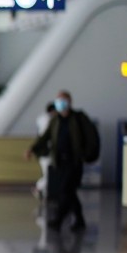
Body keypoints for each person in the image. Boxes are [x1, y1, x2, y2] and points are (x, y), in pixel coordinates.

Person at [26, 90, 91, 231]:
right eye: (58, 101)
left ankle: (59, 219)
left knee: (65, 190)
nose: (61, 104)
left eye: (63, 100)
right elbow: (45, 137)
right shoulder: (55, 121)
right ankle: (79, 220)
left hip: (74, 161)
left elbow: (90, 137)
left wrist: (86, 154)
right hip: (59, 161)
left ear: (70, 102)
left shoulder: (78, 118)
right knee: (69, 192)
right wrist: (32, 149)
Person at [34, 102, 57, 202]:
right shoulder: (47, 121)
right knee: (48, 175)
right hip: (46, 153)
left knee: (49, 174)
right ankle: (39, 188)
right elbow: (47, 138)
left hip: (45, 153)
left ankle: (44, 193)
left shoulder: (43, 120)